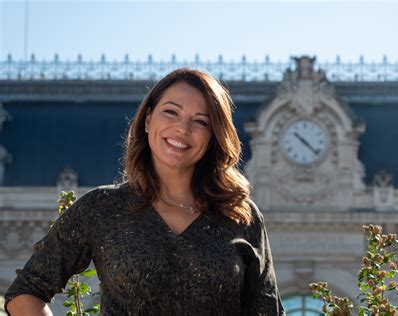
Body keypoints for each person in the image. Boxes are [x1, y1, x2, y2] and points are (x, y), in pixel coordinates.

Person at [4, 68, 286, 315]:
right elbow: (25, 292)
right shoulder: (102, 207)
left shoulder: (240, 216)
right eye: (171, 112)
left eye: (200, 121)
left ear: (213, 136)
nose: (182, 128)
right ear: (148, 119)